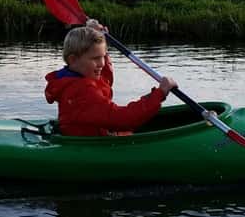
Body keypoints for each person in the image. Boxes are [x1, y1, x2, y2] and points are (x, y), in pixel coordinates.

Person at [44, 20, 177, 137]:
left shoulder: (76, 77)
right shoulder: (82, 91)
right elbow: (123, 120)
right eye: (95, 58)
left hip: (100, 136)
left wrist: (97, 35)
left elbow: (105, 82)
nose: (102, 63)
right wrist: (159, 94)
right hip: (93, 146)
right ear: (73, 60)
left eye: (103, 56)